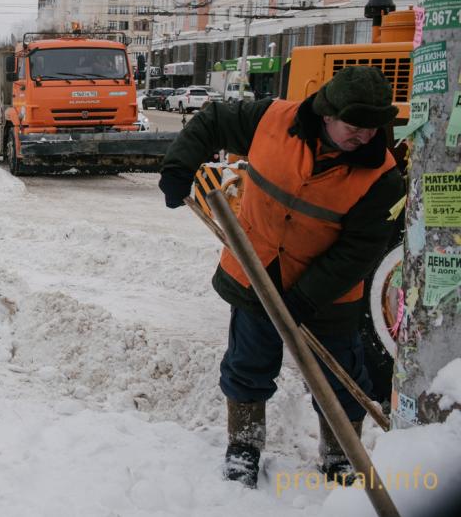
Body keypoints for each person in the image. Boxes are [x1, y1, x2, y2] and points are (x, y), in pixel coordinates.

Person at [157, 67, 403, 489]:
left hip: (328, 296)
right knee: (247, 366)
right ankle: (244, 447)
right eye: (355, 126)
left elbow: (358, 252)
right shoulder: (274, 120)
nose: (365, 136)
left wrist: (304, 299)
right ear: (327, 114)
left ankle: (340, 455)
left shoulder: (382, 177)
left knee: (341, 379)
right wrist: (180, 167)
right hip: (258, 271)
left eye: (372, 128)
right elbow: (212, 120)